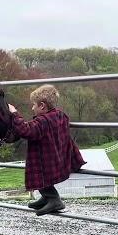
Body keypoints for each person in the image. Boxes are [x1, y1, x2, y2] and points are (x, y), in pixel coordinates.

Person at [8, 84, 86, 215]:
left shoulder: (43, 121)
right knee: (43, 178)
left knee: (40, 175)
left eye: (34, 105)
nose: (32, 108)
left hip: (45, 160)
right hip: (58, 156)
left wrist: (14, 114)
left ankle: (54, 200)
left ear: (42, 106)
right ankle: (47, 198)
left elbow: (26, 130)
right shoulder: (60, 115)